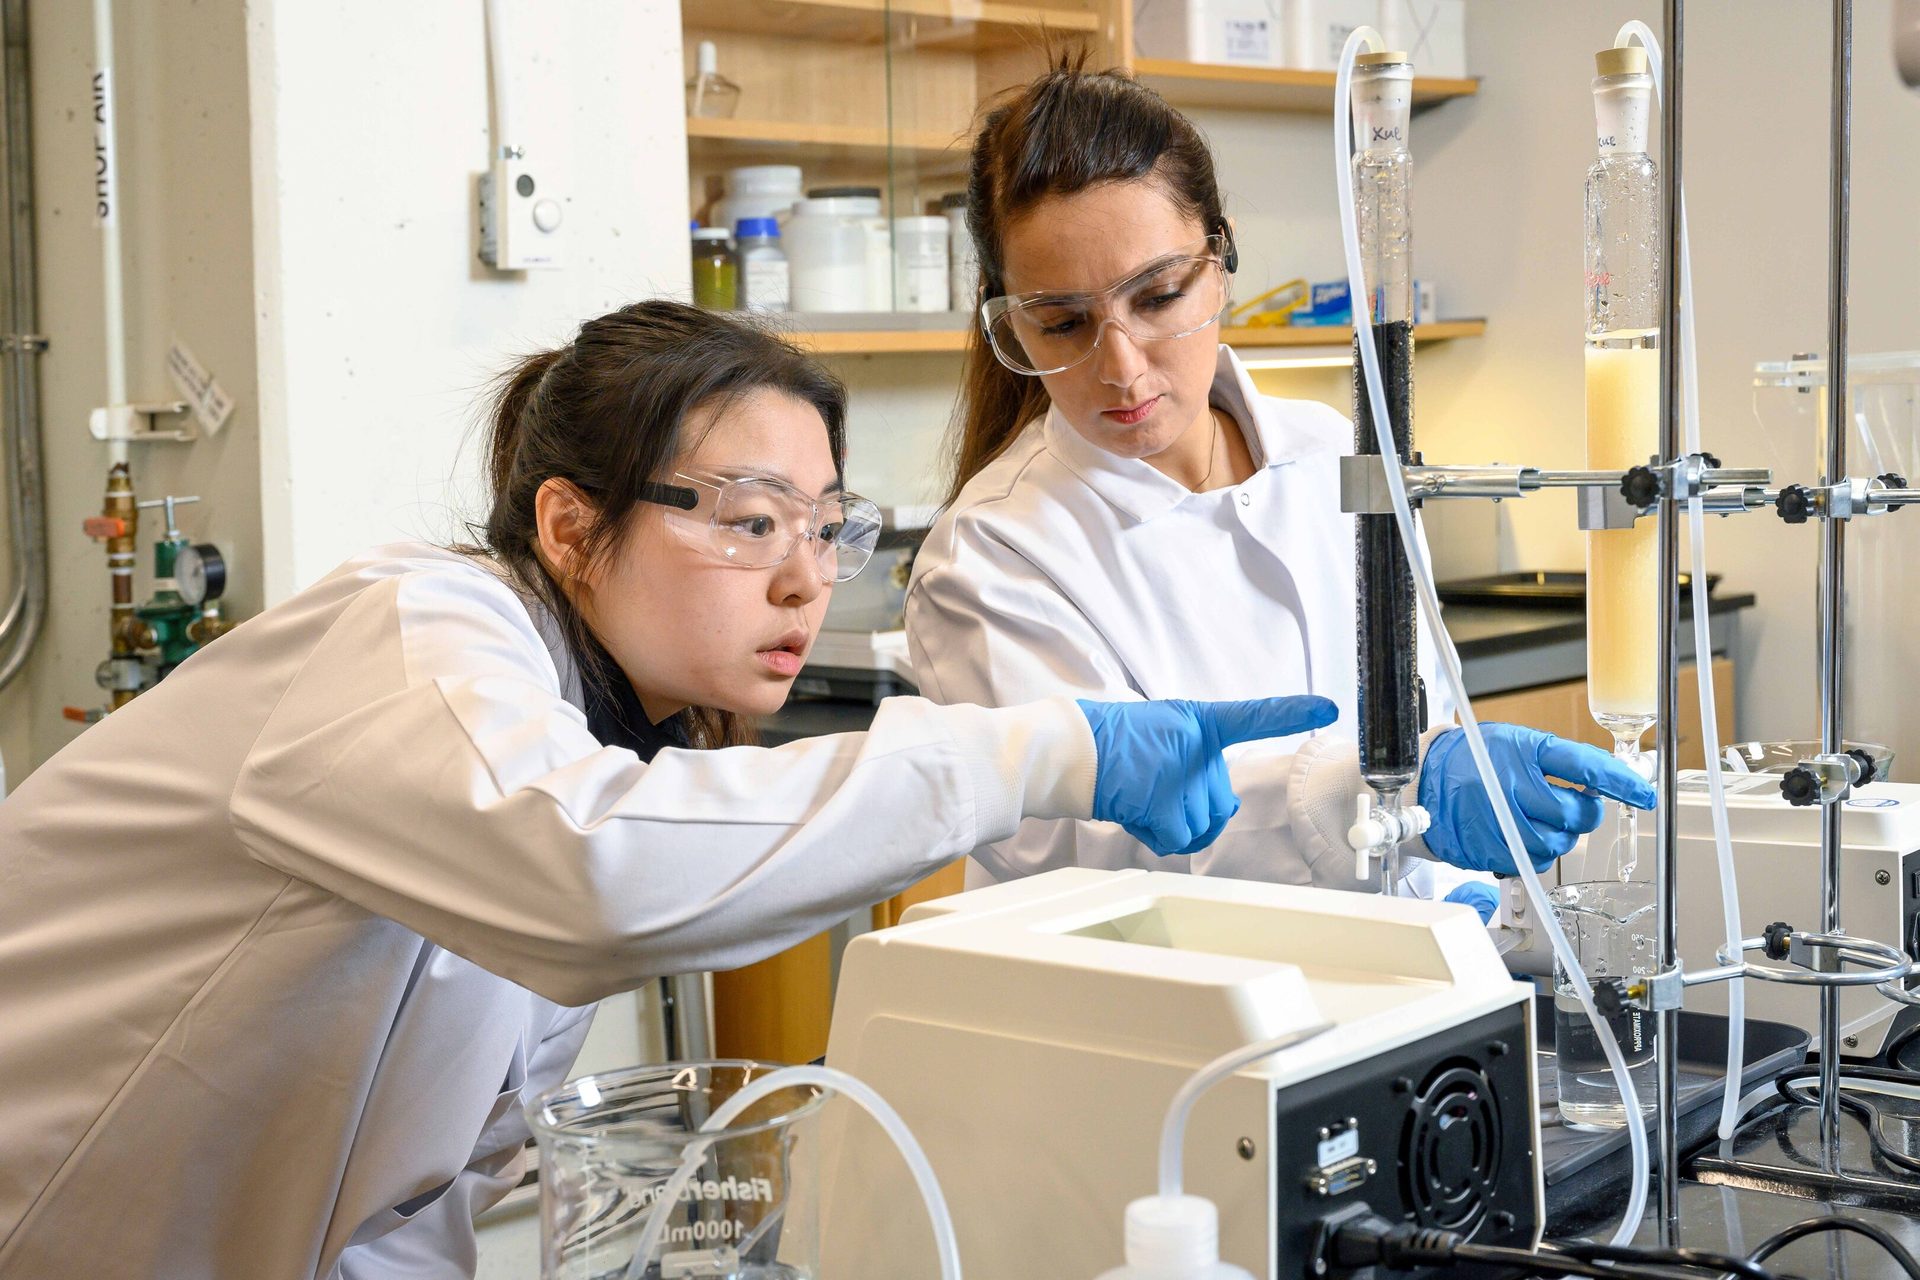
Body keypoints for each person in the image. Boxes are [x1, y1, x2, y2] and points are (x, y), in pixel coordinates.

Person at [0, 301, 1336, 1278]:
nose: (807, 580)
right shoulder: (414, 638)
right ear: (572, 527)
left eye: (827, 526)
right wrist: (1046, 750)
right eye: (752, 521)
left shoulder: (597, 740)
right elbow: (597, 877)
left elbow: (406, 1203)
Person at [905, 62, 1655, 903]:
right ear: (1011, 318)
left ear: (1220, 259)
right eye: (1064, 322)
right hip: (1167, 1008)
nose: (1120, 365)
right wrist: (1383, 797)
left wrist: (1446, 900)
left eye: (1157, 296)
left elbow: (1426, 714)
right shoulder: (990, 556)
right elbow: (1085, 841)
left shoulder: (1335, 451)